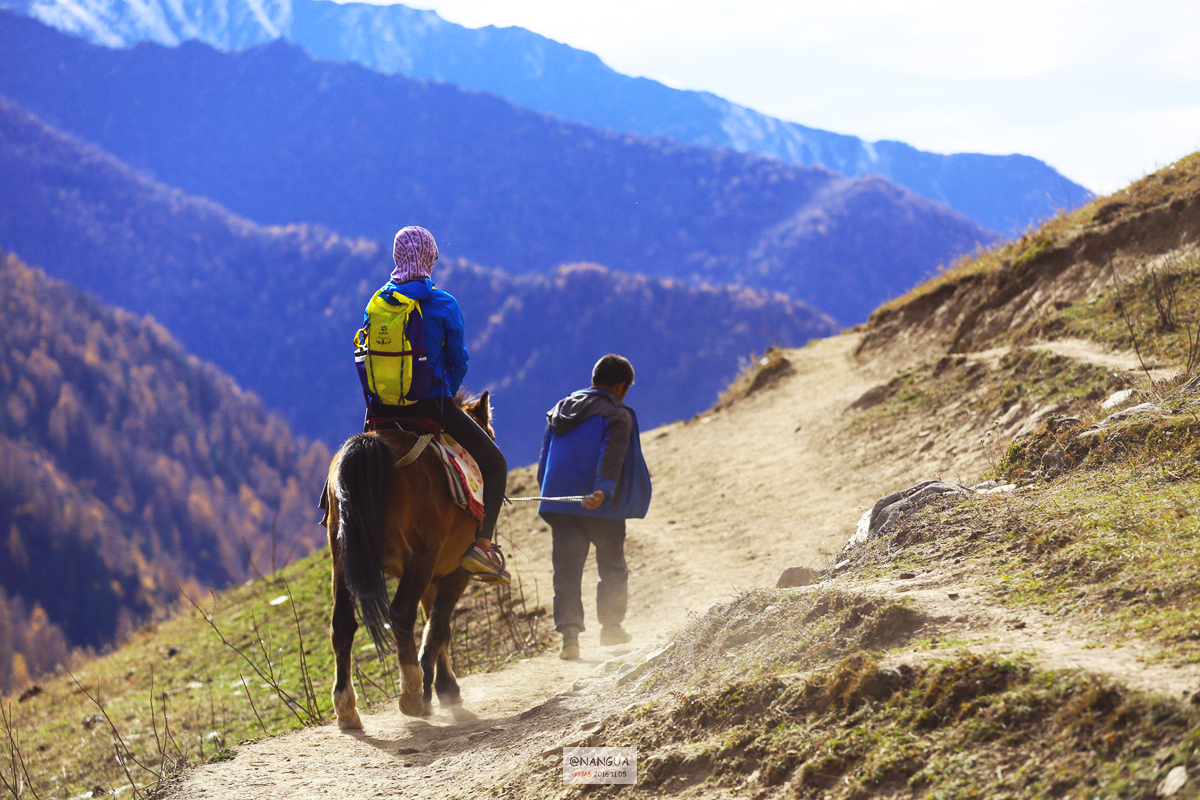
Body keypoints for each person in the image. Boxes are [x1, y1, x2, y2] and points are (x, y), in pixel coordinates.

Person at [363, 226, 510, 584]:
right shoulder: (444, 303)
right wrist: (445, 396)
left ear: (397, 257)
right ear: (430, 258)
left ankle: (330, 510)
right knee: (496, 465)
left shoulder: (378, 302)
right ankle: (483, 547)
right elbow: (459, 361)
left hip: (380, 413)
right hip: (430, 408)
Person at [537, 354, 652, 660]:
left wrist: (548, 494)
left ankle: (570, 639)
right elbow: (612, 451)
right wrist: (604, 489)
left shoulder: (561, 409)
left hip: (560, 503)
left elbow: (546, 457)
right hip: (599, 503)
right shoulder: (617, 412)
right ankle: (611, 627)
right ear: (620, 385)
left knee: (567, 569)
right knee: (612, 563)